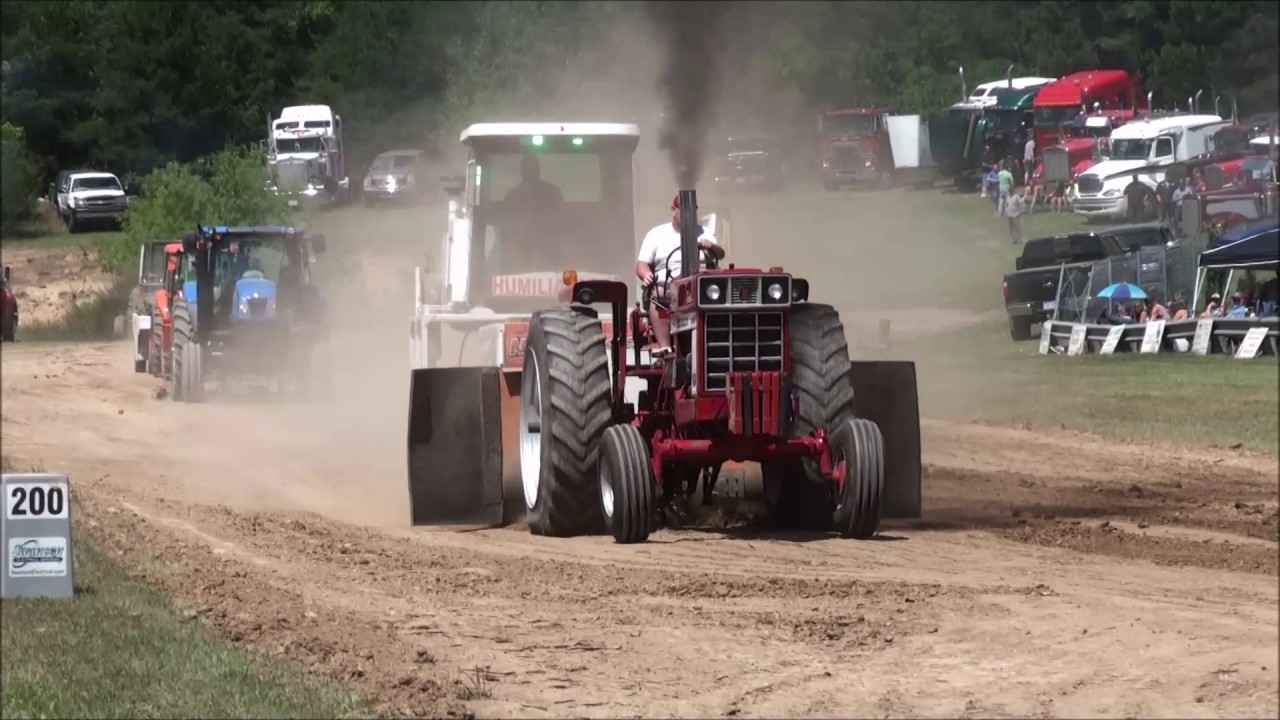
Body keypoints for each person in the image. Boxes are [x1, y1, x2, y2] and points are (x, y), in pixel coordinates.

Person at [636, 193, 726, 358]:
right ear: (673, 210)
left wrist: (711, 246)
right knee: (659, 295)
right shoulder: (656, 234)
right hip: (668, 286)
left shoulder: (704, 232)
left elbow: (720, 254)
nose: (688, 215)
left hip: (699, 285)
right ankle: (666, 349)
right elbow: (641, 264)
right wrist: (647, 274)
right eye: (684, 210)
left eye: (693, 210)